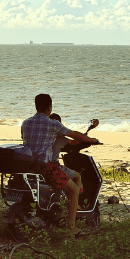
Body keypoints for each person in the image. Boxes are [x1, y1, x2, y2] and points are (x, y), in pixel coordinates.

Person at [21, 94, 97, 236]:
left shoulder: (26, 123)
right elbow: (74, 135)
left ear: (36, 106)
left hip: (29, 165)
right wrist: (90, 139)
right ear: (49, 107)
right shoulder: (53, 124)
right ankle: (71, 228)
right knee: (74, 190)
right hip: (46, 166)